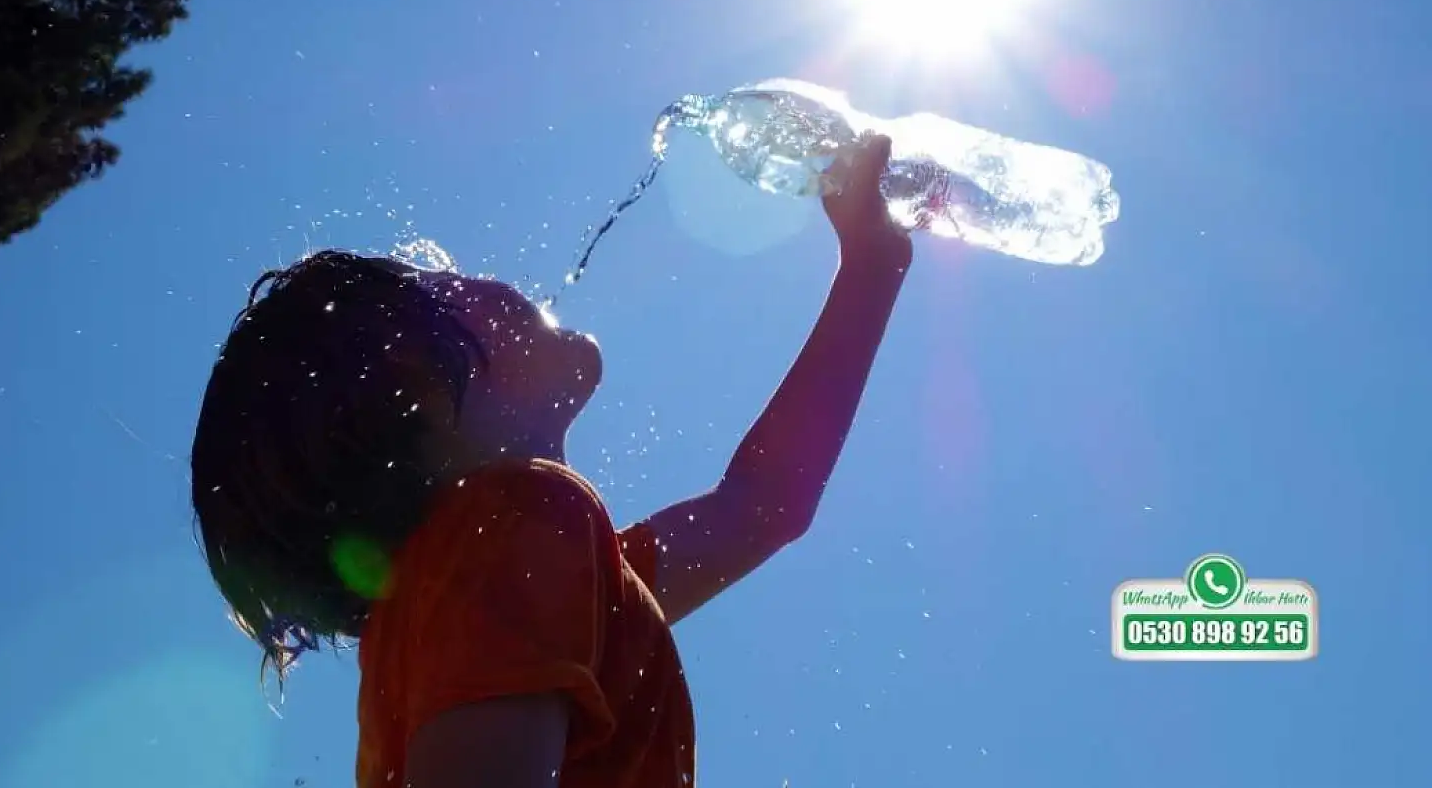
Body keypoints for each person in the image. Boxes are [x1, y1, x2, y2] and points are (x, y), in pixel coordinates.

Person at [190, 133, 912, 788]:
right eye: (441, 287)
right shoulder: (510, 531)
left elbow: (763, 504)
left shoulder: (518, 580)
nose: (476, 279)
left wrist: (873, 266)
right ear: (417, 392)